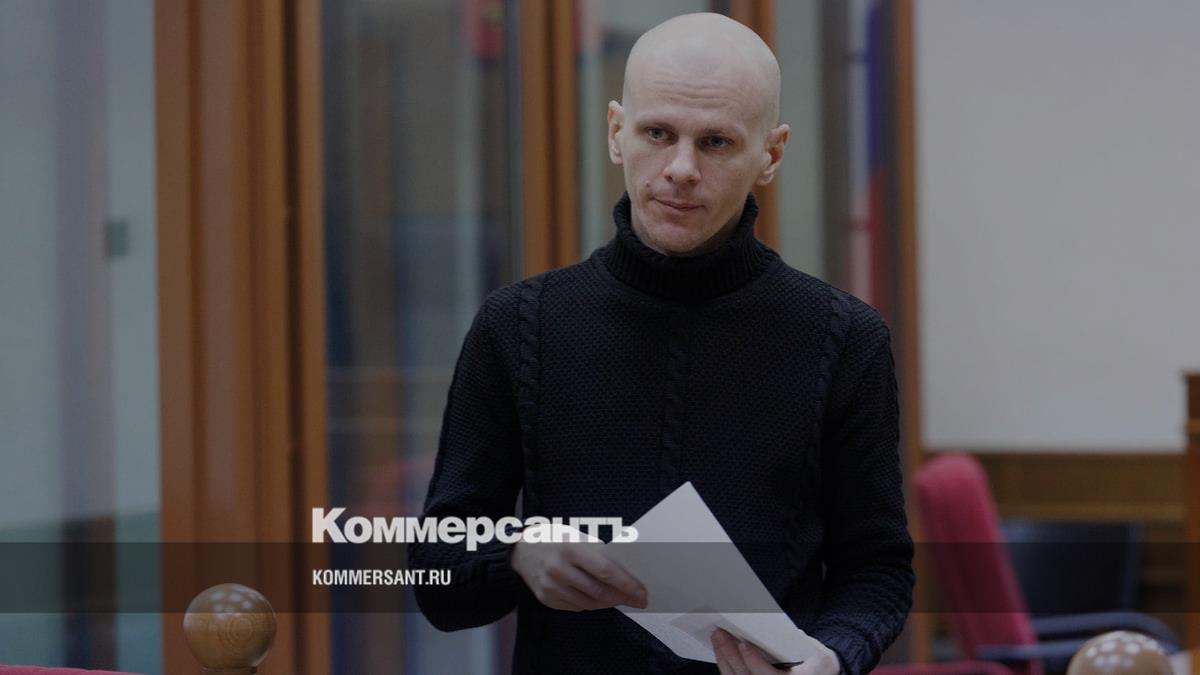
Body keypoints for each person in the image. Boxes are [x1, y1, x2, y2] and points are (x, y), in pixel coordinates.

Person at [409, 12, 913, 675]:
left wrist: (834, 657)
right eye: (657, 133)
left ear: (771, 154)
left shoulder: (845, 339)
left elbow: (877, 569)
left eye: (716, 142)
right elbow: (437, 575)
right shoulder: (518, 325)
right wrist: (516, 554)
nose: (681, 168)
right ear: (616, 132)